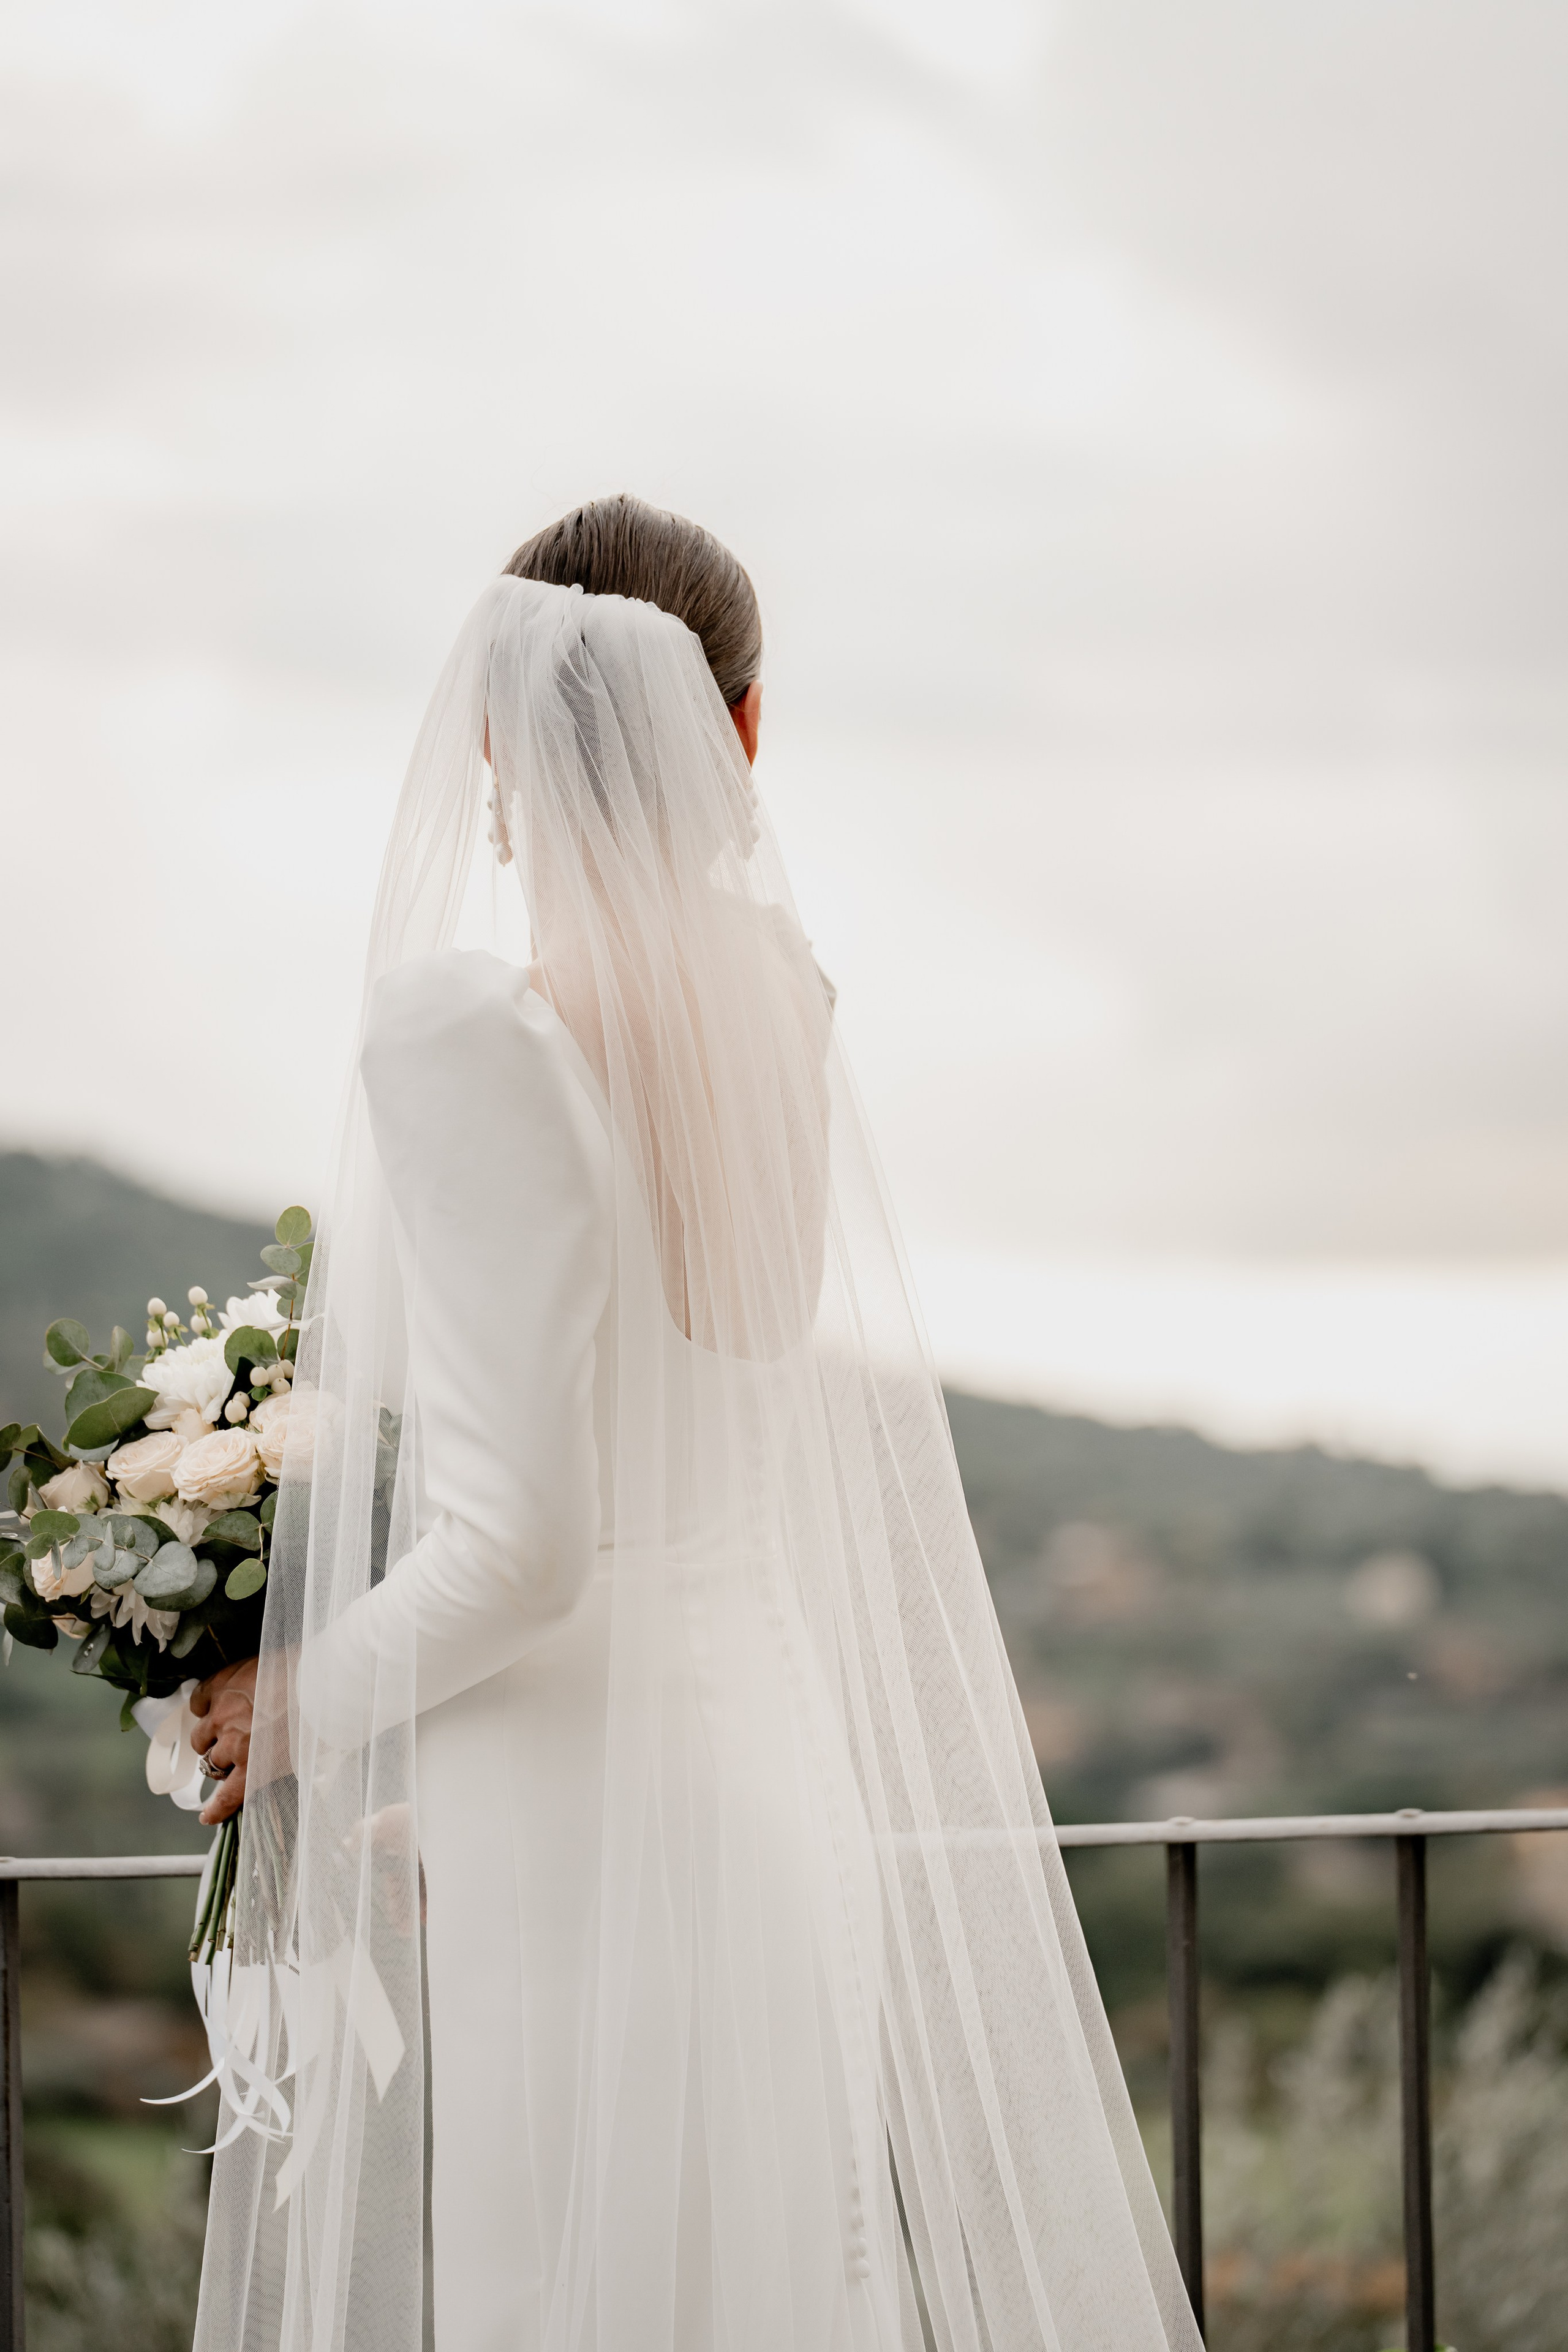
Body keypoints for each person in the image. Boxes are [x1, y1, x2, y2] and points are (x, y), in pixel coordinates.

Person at [189, 496, 1202, 2352]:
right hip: (763, 1775)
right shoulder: (781, 999)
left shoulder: (470, 1034)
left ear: (493, 739)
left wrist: (295, 1705)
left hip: (580, 1820)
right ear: (746, 727)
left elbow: (525, 1541)